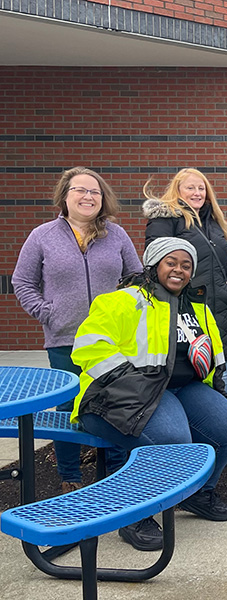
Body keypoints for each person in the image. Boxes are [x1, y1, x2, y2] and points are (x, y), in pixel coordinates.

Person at [71, 237, 227, 552]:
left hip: (177, 390)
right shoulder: (124, 300)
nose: (179, 270)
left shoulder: (196, 307)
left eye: (186, 265)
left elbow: (210, 356)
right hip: (115, 396)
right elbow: (88, 347)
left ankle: (197, 494)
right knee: (172, 440)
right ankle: (135, 515)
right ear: (154, 265)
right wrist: (134, 383)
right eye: (171, 262)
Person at [12, 167, 141, 494]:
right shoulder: (42, 236)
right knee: (69, 406)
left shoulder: (117, 235)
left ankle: (114, 470)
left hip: (111, 340)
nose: (88, 196)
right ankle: (69, 474)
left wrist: (128, 318)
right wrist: (46, 313)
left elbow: (137, 278)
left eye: (95, 192)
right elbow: (22, 282)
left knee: (113, 403)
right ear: (65, 196)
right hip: (64, 338)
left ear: (103, 198)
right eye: (80, 190)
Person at [143, 168, 227, 394]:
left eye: (201, 188)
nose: (197, 193)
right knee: (190, 371)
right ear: (177, 190)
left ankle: (219, 423)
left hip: (218, 310)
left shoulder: (213, 222)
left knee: (219, 368)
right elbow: (154, 261)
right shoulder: (166, 218)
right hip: (186, 309)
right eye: (190, 187)